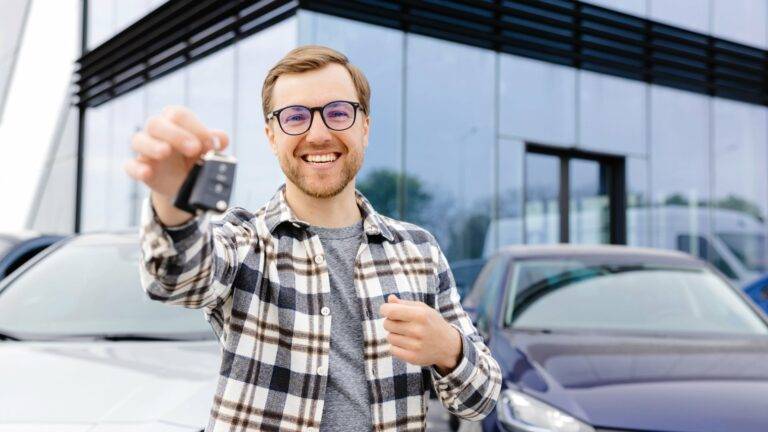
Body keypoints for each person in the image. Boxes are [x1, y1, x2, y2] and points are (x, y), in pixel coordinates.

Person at [125, 45, 501, 432]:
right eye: (295, 117)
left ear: (364, 128)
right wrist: (173, 203)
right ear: (272, 136)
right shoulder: (244, 243)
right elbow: (175, 278)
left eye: (338, 113)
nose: (318, 134)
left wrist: (449, 350)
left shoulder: (418, 250)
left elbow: (482, 399)